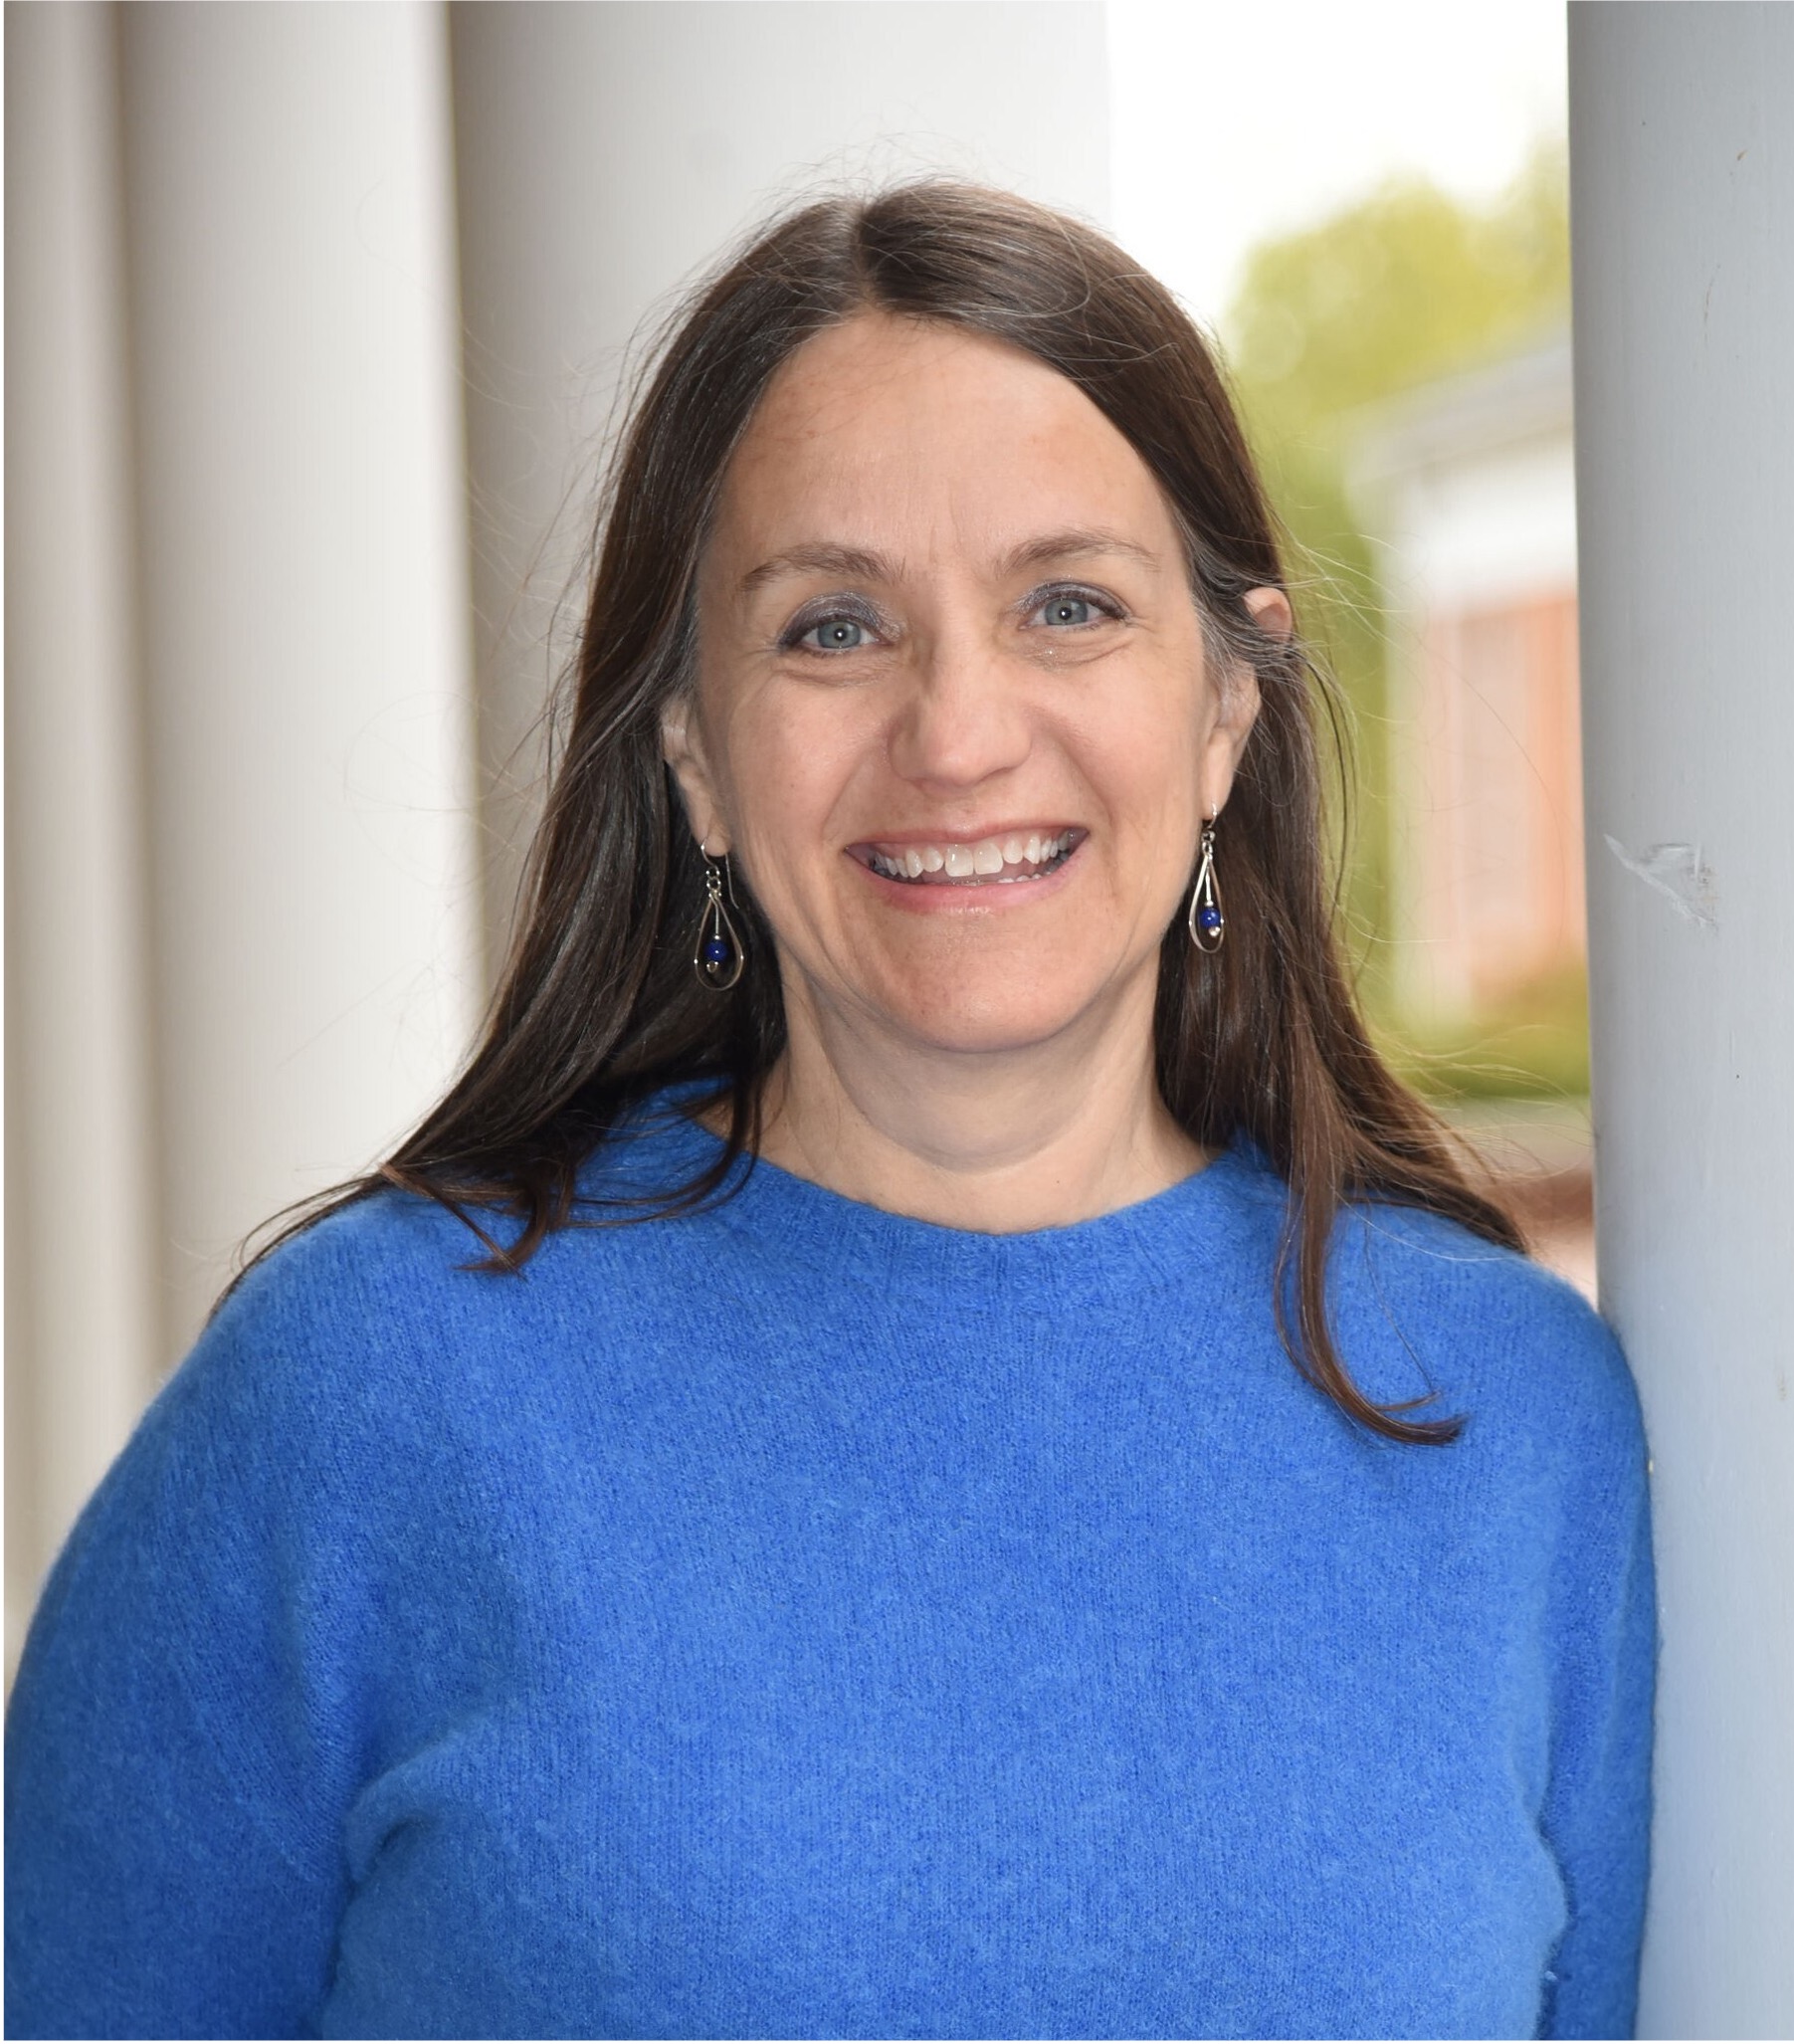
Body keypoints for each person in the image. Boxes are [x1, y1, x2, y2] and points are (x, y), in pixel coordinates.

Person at [4, 181, 1655, 2041]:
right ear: (694, 753)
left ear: (1226, 713)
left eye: (1069, 605)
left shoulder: (1516, 1424)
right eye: (832, 627)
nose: (957, 729)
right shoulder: (361, 1396)